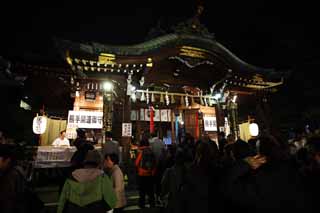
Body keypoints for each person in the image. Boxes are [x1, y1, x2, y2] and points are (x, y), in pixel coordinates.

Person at [135, 136, 156, 208]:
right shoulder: (151, 151)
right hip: (150, 174)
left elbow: (137, 163)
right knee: (151, 191)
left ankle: (142, 204)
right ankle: (152, 204)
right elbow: (154, 162)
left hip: (142, 174)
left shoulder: (141, 152)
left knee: (142, 191)